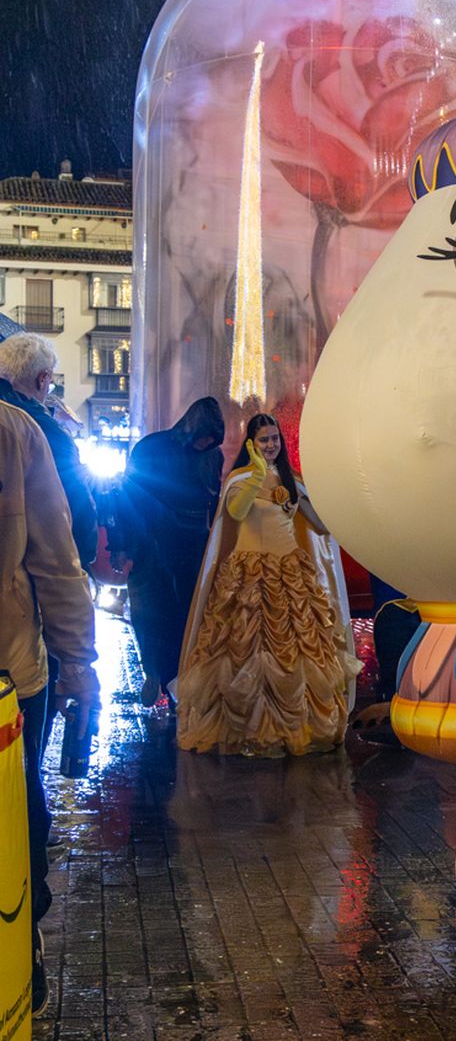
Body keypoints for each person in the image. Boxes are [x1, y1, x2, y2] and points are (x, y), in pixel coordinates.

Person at [175, 414, 359, 757]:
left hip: (290, 575)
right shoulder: (240, 478)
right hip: (249, 576)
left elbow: (320, 526)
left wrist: (320, 501)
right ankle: (247, 729)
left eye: (275, 438)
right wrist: (256, 476)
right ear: (251, 444)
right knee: (245, 650)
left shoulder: (291, 479)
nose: (271, 445)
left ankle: (298, 728)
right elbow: (236, 512)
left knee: (299, 650)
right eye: (264, 440)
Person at [0, 399, 98, 1015]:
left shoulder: (13, 430)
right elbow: (58, 562)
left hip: (10, 674)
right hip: (13, 668)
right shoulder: (15, 428)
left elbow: (57, 562)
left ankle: (20, 945)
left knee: (17, 813)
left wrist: (78, 664)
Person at [111, 397, 225, 704]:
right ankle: (155, 672)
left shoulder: (211, 456)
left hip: (191, 544)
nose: (205, 444)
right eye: (203, 438)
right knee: (150, 612)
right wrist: (121, 545)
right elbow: (127, 497)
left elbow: (213, 501)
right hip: (151, 541)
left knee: (184, 613)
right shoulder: (151, 448)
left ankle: (176, 678)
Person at [0, 334, 98, 569]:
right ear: (43, 378)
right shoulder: (47, 433)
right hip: (25, 563)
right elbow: (72, 502)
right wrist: (82, 556)